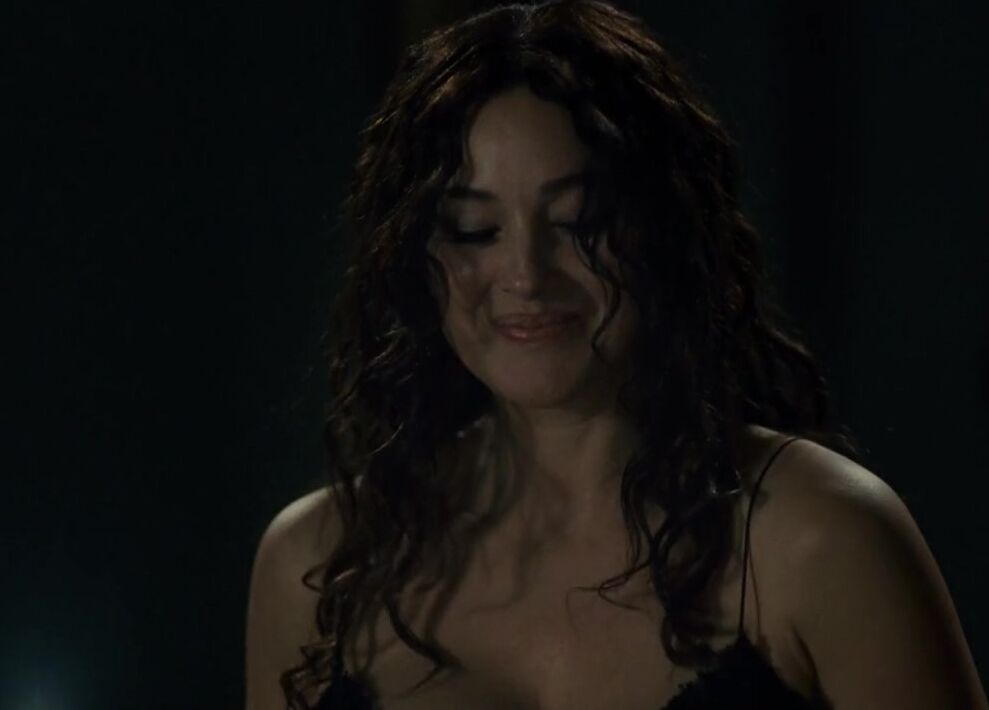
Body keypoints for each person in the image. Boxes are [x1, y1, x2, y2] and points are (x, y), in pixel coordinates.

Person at [245, 2, 988, 708]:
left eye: (578, 220)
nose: (526, 276)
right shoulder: (320, 564)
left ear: (662, 229)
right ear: (415, 258)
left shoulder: (818, 539)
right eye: (474, 229)